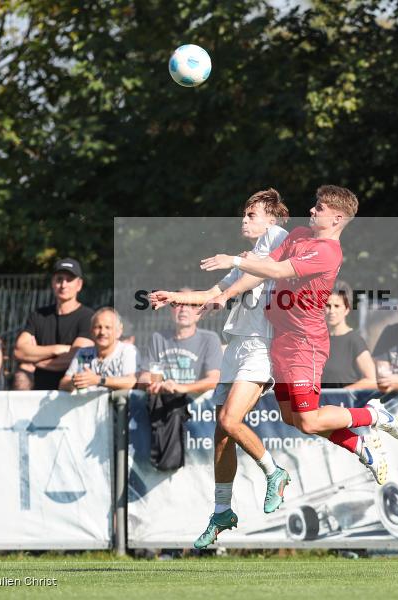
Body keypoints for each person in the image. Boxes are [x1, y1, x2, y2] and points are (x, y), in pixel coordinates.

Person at [201, 185, 398, 493]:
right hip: (280, 341)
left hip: (303, 344)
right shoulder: (297, 234)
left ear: (336, 219)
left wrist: (235, 260)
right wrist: (226, 293)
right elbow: (266, 270)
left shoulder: (327, 251)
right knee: (292, 418)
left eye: (319, 208)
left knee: (308, 421)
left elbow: (279, 268)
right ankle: (362, 448)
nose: (311, 210)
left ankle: (374, 414)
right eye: (314, 205)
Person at [149, 189, 292, 549]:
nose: (244, 220)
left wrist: (232, 270)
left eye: (252, 215)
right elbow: (213, 291)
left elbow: (254, 278)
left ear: (271, 219)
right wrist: (174, 296)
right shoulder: (246, 259)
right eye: (244, 214)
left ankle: (274, 472)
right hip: (236, 348)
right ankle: (222, 511)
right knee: (222, 435)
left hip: (261, 347)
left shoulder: (277, 238)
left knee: (230, 420)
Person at [13, 258, 95, 390]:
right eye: (59, 279)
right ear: (52, 282)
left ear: (79, 285)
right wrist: (58, 349)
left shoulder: (88, 317)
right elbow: (19, 351)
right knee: (21, 376)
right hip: (39, 391)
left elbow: (78, 358)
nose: (63, 285)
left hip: (72, 393)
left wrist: (36, 360)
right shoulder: (38, 315)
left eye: (69, 280)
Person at [137, 294, 222, 397]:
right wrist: (153, 383)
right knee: (137, 397)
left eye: (192, 305)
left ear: (200, 313)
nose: (184, 309)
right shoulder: (158, 338)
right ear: (171, 310)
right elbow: (145, 376)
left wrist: (181, 388)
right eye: (178, 304)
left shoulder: (210, 339)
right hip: (162, 398)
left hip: (196, 401)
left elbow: (214, 380)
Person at [59, 308, 138, 392]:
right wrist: (75, 382)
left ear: (118, 331)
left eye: (108, 327)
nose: (102, 332)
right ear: (91, 331)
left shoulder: (127, 351)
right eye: (98, 327)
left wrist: (99, 380)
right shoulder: (83, 353)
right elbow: (63, 383)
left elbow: (131, 381)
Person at [322, 281, 376, 389]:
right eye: (328, 305)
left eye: (337, 306)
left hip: (342, 404)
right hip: (317, 404)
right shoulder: (315, 339)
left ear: (347, 309)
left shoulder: (354, 340)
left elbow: (371, 380)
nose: (331, 311)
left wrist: (344, 392)